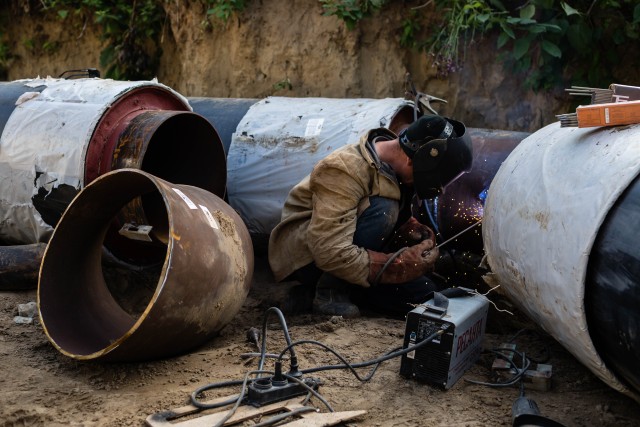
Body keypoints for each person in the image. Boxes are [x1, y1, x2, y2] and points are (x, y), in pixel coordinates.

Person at [268, 114, 473, 318]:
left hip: (353, 250)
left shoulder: (395, 167)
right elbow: (328, 250)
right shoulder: (343, 168)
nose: (441, 189)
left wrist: (411, 229)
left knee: (426, 295)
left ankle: (313, 294)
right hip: (310, 256)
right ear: (412, 160)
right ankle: (329, 293)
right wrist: (399, 265)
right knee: (385, 209)